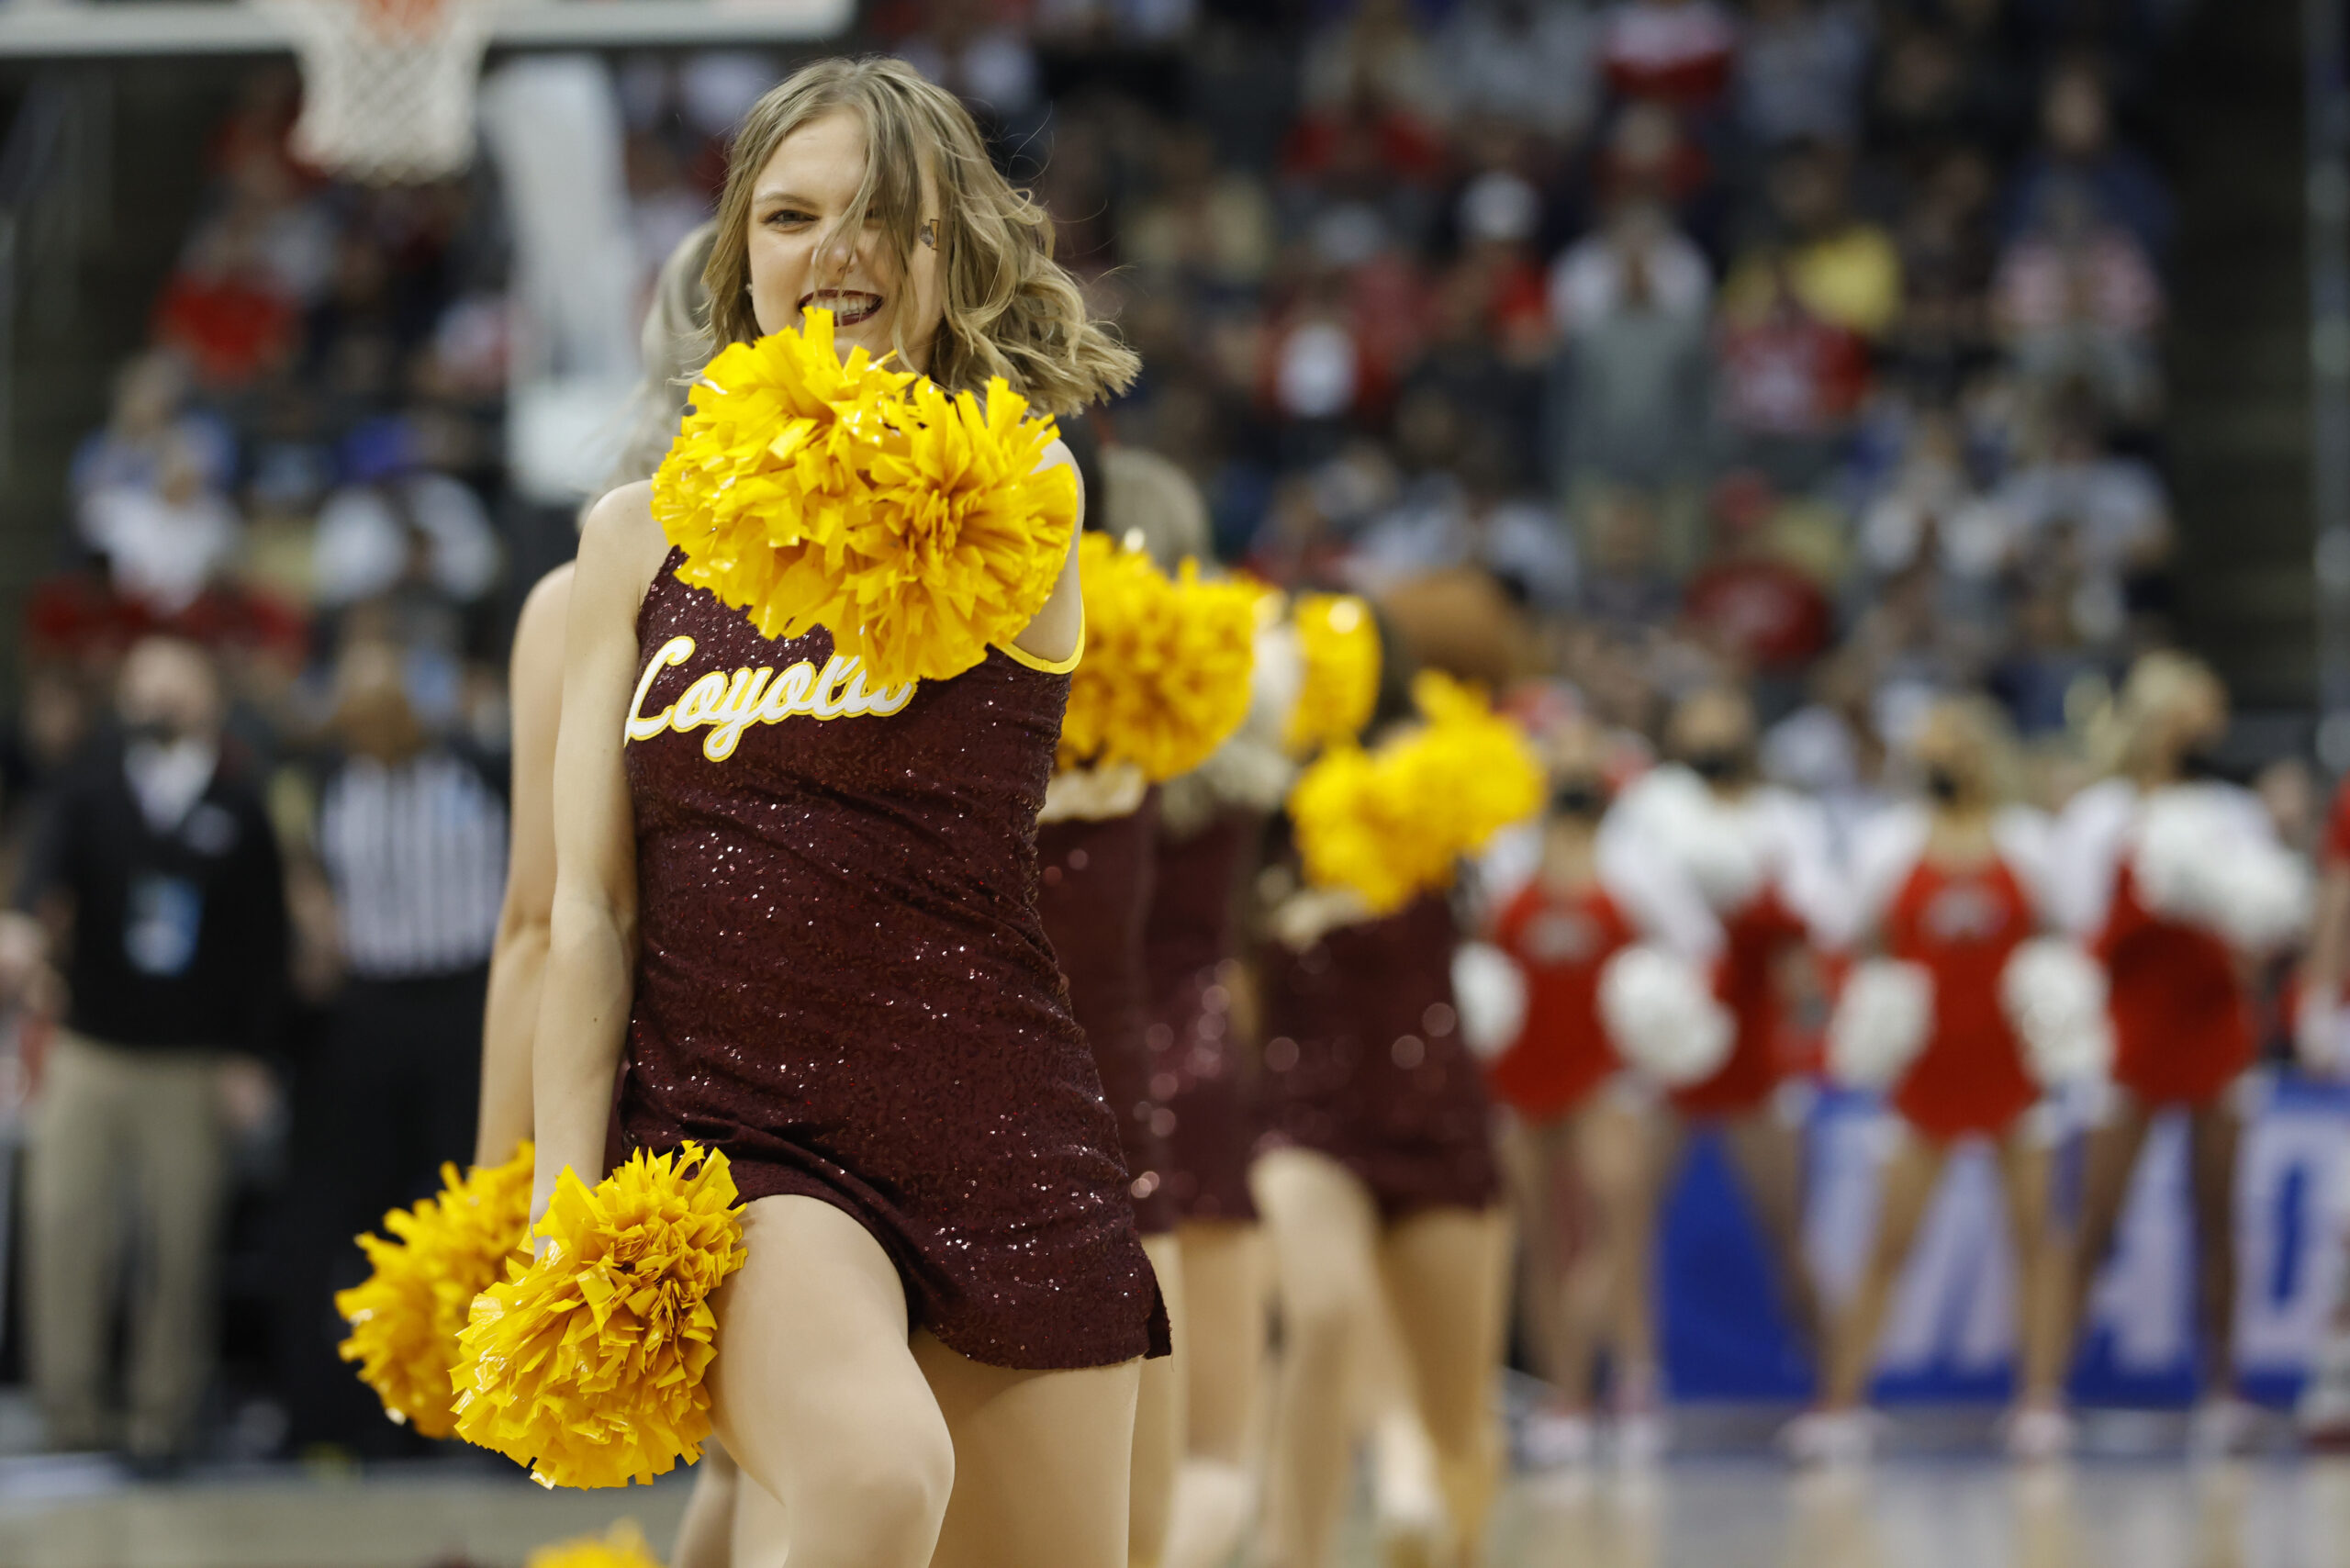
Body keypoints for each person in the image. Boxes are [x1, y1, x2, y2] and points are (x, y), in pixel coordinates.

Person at [532, 57, 1160, 1567]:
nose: (835, 254)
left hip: (1004, 1130)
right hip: (741, 1138)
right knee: (874, 1479)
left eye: (885, 215)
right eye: (792, 216)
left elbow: (902, 465)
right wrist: (566, 1205)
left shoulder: (1028, 492)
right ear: (738, 253)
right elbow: (589, 907)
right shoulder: (633, 542)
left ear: (955, 248)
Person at [469, 220, 745, 1562]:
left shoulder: (573, 591)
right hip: (776, 1104)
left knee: (762, 1478)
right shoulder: (898, 583)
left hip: (662, 1100)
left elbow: (538, 926)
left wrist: (500, 1182)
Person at [1249, 644, 1515, 1568]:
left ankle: (1441, 1511)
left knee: (1463, 1425)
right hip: (1302, 1111)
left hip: (1433, 1110)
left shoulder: (1439, 772)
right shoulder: (1253, 793)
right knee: (1319, 1313)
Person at [0, 635, 288, 1464]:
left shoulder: (238, 805)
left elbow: (262, 943)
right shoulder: (89, 787)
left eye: (174, 679)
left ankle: (163, 1418)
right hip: (91, 1048)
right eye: (143, 681)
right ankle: (72, 1411)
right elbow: (43, 862)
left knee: (180, 1240)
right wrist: (22, 922)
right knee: (64, 1224)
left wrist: (250, 1053)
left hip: (190, 1060)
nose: (156, 695)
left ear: (208, 696)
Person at [1783, 697, 2076, 1464]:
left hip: (2013, 1067)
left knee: (2036, 1239)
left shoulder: (2028, 843)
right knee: (1888, 1242)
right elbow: (1850, 938)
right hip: (1924, 1074)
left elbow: (2061, 935)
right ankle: (1843, 1402)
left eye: (1955, 745)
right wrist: (1873, 1020)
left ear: (1984, 752)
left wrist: (2052, 1020)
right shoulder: (1890, 845)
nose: (1944, 761)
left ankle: (2038, 1401)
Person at [2053, 653, 2306, 1456]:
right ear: (2162, 719)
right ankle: (2043, 1392)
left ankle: (2222, 1389)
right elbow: (2074, 928)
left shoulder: (2232, 811)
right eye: (2200, 711)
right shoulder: (2100, 816)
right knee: (2094, 1216)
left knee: (2219, 1214)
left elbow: (2264, 929)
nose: (2213, 727)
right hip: (2129, 1032)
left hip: (2213, 1031)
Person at [282, 638, 509, 1450]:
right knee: (350, 1217)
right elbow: (300, 873)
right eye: (358, 710)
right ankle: (350, 1420)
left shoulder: (482, 770)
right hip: (366, 1010)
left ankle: (496, 1415)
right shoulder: (323, 784)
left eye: (387, 707)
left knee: (476, 1206)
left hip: (465, 1004)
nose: (372, 725)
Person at [1599, 686, 1835, 1365]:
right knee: (1627, 1226)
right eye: (1699, 716)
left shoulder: (1785, 818)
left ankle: (1835, 1395)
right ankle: (1601, 1396)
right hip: (1668, 1039)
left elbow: (1808, 930)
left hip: (1754, 1039)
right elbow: (1619, 907)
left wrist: (1809, 1017)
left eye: (1725, 715)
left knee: (1786, 1229)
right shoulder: (1649, 810)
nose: (1712, 728)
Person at [1481, 716, 1667, 1468]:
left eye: (1585, 762)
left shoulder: (1636, 864)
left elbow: (1690, 948)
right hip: (1523, 1067)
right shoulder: (1504, 859)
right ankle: (1565, 1396)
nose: (1572, 776)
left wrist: (1654, 1015)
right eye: (1559, 763)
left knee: (1615, 1215)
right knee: (1543, 1239)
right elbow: (1477, 947)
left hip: (1603, 1068)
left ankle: (1634, 1375)